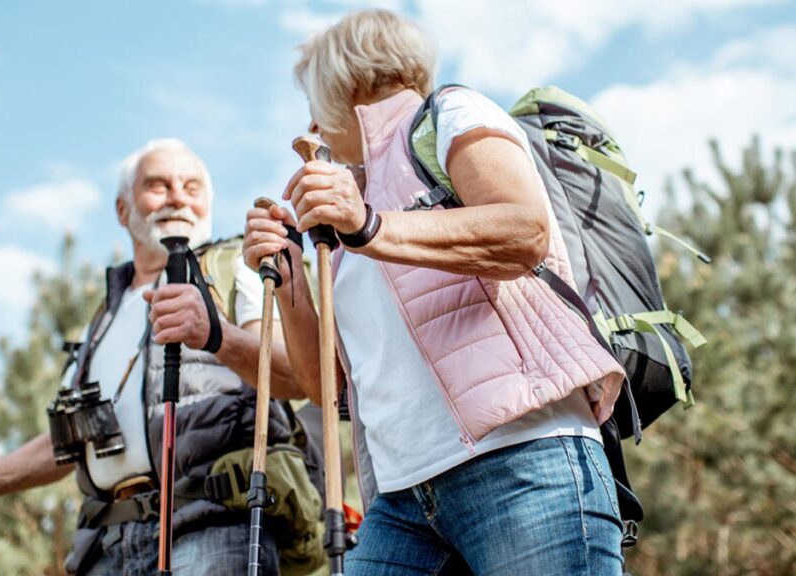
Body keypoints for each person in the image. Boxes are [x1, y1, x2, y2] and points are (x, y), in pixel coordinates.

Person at [243, 9, 627, 575]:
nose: (312, 128)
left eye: (313, 107)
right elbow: (326, 388)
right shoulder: (351, 206)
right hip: (400, 500)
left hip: (523, 459)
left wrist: (372, 226)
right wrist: (290, 277)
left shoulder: (448, 113)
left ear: (345, 83)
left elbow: (524, 231)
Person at [0, 139, 307, 575]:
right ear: (122, 209)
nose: (177, 197)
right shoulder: (100, 322)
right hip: (107, 544)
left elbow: (295, 376)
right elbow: (71, 442)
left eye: (191, 187)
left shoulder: (236, 273)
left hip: (212, 529)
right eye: (158, 185)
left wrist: (217, 335)